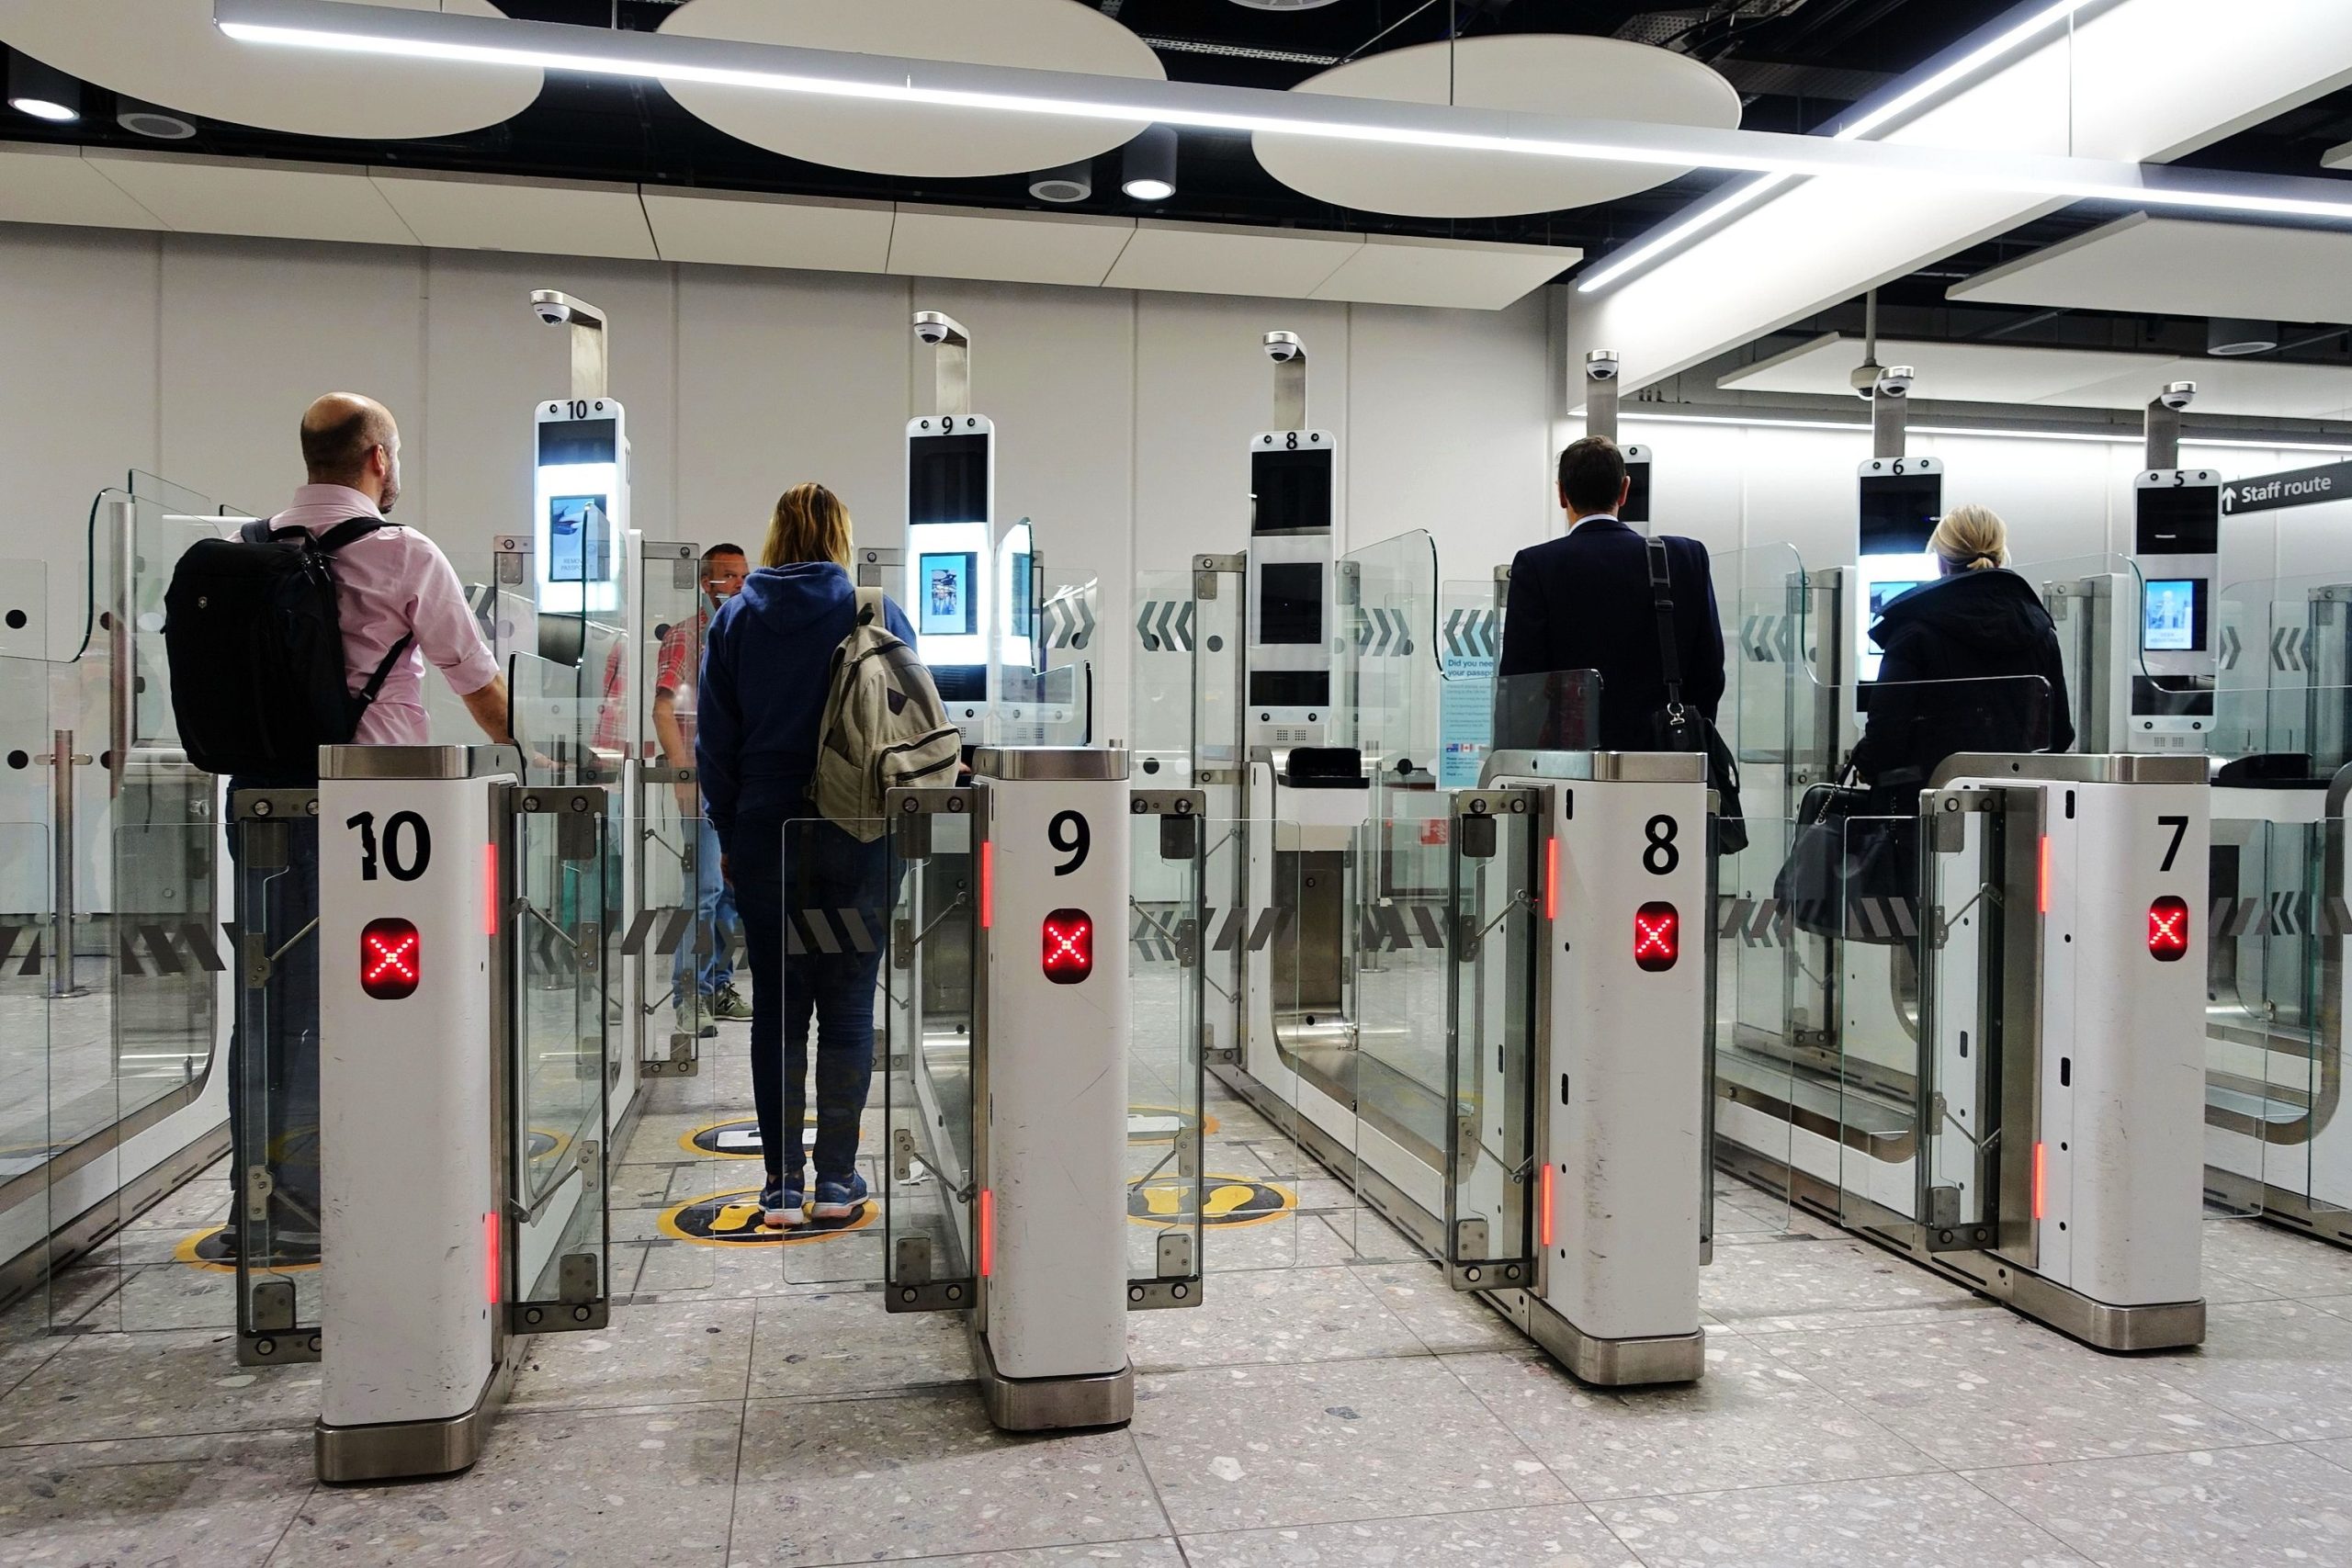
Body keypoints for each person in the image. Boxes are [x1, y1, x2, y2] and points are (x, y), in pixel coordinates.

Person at [225, 393, 515, 1258]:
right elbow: (480, 684)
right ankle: (361, 1188)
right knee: (379, 997)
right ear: (379, 458)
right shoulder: (402, 554)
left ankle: (265, 1195)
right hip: (380, 811)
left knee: (269, 996)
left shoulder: (244, 551)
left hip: (264, 800)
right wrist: (532, 758)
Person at [697, 483, 918, 1229]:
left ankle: (781, 1186)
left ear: (774, 536)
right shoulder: (875, 610)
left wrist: (729, 834)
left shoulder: (733, 618)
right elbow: (911, 723)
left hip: (766, 831)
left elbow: (714, 746)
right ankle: (836, 1180)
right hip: (858, 830)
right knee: (850, 998)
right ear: (840, 536)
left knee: (779, 1009)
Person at [1498, 435, 1725, 752]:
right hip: (1667, 766)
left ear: (1562, 494)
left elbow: (1521, 687)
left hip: (1572, 767)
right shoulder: (1685, 558)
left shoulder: (1538, 566)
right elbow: (1709, 675)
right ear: (1624, 490)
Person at [1849, 502, 2075, 809]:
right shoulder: (2039, 632)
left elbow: (1887, 734)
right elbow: (2059, 734)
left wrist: (1867, 764)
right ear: (2000, 555)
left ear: (1942, 562)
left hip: (1924, 808)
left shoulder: (1913, 631)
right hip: (2015, 809)